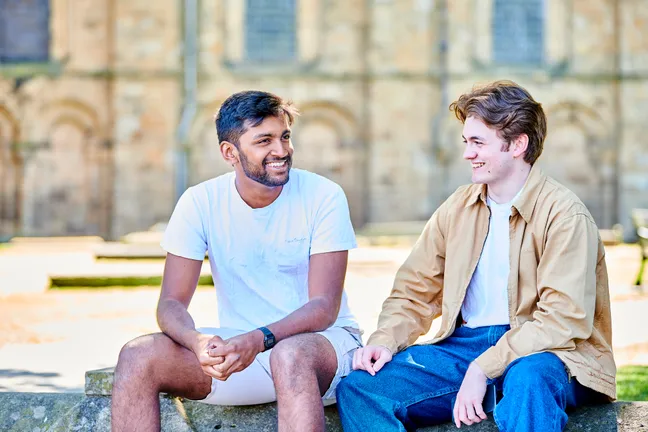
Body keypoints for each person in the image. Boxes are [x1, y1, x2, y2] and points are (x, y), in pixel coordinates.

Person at [336, 81, 615, 432]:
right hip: (464, 346)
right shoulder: (458, 206)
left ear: (518, 144)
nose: (468, 153)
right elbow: (414, 290)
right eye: (466, 142)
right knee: (362, 389)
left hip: (552, 353)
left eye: (478, 142)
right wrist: (385, 340)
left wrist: (484, 367)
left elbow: (563, 320)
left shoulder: (564, 215)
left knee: (529, 380)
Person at [111, 90, 362, 432]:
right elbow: (170, 302)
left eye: (285, 137)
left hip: (324, 345)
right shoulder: (200, 202)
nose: (281, 150)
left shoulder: (324, 196)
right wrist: (195, 341)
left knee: (290, 356)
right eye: (265, 141)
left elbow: (324, 307)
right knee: (137, 354)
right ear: (230, 152)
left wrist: (258, 339)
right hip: (244, 351)